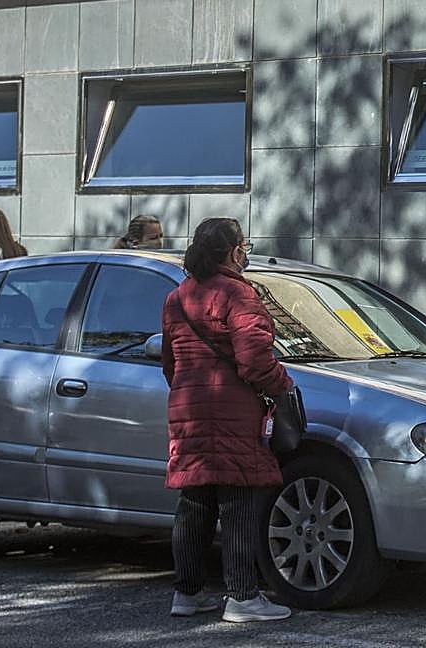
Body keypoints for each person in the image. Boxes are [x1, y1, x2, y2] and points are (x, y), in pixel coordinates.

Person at [161, 217, 294, 623]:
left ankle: (187, 593)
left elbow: (170, 361)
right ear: (235, 251)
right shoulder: (238, 294)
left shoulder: (177, 297)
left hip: (187, 409)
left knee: (194, 502)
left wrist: (187, 393)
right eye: (245, 245)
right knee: (238, 501)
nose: (247, 252)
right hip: (232, 408)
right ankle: (242, 596)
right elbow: (254, 359)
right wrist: (282, 386)